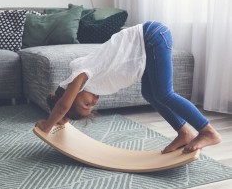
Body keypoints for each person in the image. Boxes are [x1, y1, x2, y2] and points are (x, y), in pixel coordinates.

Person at [36, 21, 221, 154]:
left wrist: (47, 125)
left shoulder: (81, 75)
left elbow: (62, 106)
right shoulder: (87, 83)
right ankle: (185, 132)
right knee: (149, 93)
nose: (93, 102)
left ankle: (207, 132)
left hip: (152, 37)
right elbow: (66, 109)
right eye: (91, 107)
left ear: (71, 94)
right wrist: (64, 120)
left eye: (86, 104)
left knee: (164, 93)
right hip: (148, 47)